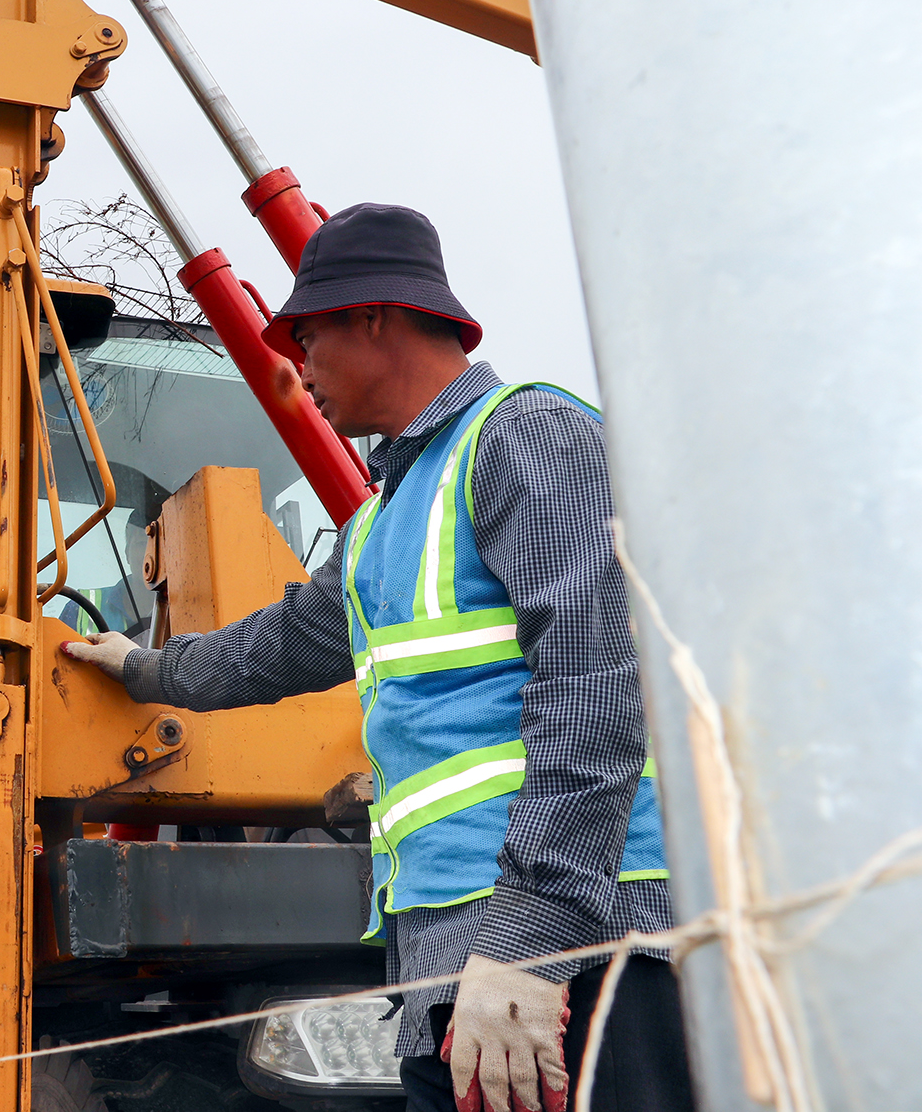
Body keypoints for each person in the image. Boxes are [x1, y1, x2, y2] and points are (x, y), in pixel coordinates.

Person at [63, 205, 694, 1112]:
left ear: (375, 317)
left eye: (308, 334)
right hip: (457, 968)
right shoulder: (380, 522)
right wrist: (143, 668)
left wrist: (526, 939)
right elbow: (273, 646)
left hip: (569, 954)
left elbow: (596, 690)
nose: (296, 365)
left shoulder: (525, 436)